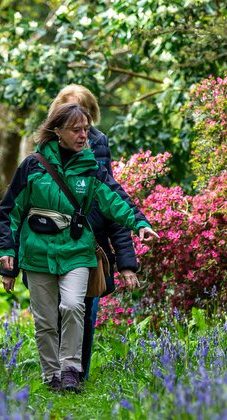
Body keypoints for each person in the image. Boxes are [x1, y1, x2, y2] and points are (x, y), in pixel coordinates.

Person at [0, 103, 158, 393]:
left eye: (86, 129)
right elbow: (10, 212)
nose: (84, 135)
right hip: (37, 254)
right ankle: (51, 375)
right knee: (45, 320)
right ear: (57, 131)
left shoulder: (91, 166)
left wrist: (139, 224)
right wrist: (7, 255)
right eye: (76, 129)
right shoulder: (32, 166)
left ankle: (71, 370)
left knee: (72, 306)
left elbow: (114, 200)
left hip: (76, 251)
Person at [46, 84, 142, 382]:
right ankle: (54, 372)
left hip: (91, 244)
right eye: (69, 115)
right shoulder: (43, 151)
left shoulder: (99, 145)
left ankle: (76, 374)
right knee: (54, 312)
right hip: (51, 241)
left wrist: (126, 261)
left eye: (83, 115)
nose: (79, 127)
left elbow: (112, 200)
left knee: (83, 310)